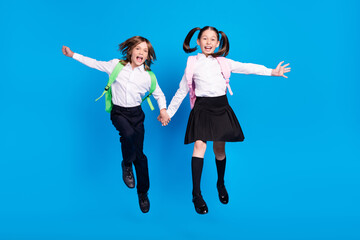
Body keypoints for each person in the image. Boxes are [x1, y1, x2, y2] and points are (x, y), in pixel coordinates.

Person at [158, 26, 290, 214]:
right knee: (199, 146)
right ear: (198, 42)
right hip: (202, 108)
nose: (209, 42)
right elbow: (182, 90)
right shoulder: (192, 63)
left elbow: (247, 68)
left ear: (218, 43)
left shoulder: (223, 62)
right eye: (204, 38)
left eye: (213, 39)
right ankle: (196, 194)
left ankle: (220, 182)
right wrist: (168, 113)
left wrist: (271, 72)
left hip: (221, 107)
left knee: (219, 148)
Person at [62, 36, 170, 213]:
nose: (141, 52)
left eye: (145, 51)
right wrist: (73, 55)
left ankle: (143, 193)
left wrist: (163, 111)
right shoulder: (116, 66)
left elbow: (159, 95)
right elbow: (94, 63)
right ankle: (127, 165)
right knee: (127, 135)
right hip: (119, 112)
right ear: (130, 51)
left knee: (141, 156)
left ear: (148, 56)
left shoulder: (148, 77)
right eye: (138, 49)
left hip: (137, 114)